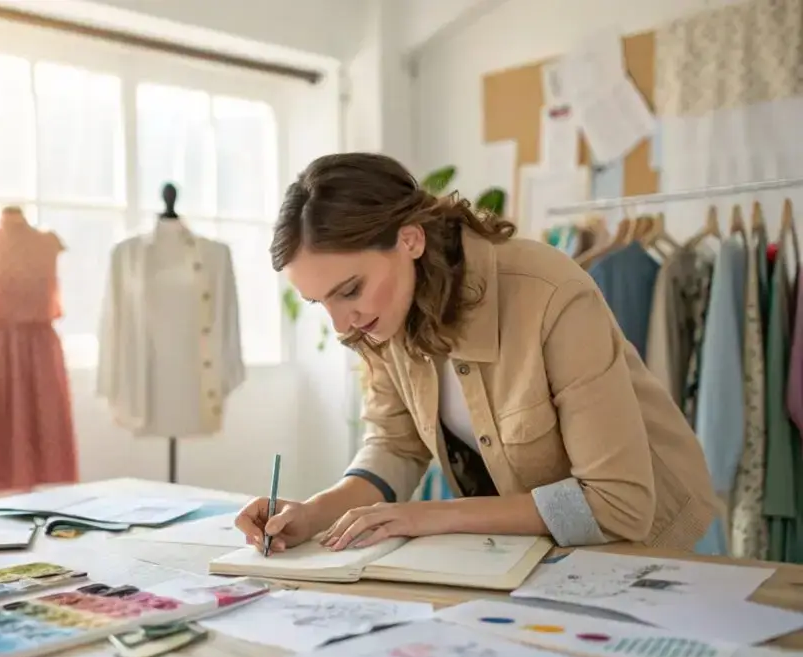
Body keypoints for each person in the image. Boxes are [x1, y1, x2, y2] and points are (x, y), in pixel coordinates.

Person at [235, 152, 718, 555]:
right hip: (550, 552)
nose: (343, 325)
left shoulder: (550, 294)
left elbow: (617, 503)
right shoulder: (383, 317)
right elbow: (395, 444)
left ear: (410, 239)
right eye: (323, 304)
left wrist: (427, 517)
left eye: (351, 290)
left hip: (659, 542)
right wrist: (314, 513)